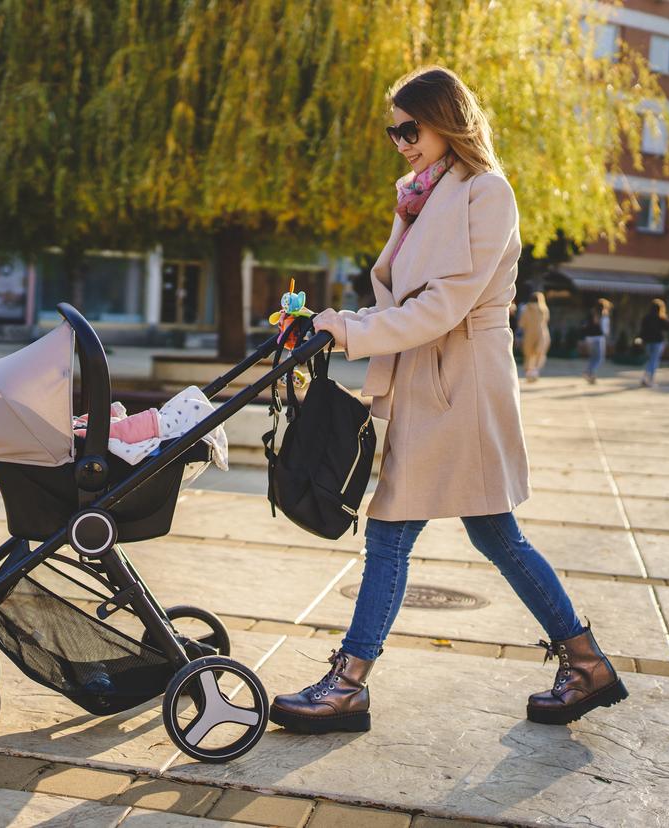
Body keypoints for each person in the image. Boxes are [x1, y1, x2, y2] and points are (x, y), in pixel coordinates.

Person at [272, 66, 627, 735]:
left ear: (448, 120)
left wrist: (348, 330)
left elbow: (444, 304)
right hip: (430, 382)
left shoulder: (485, 193)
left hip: (460, 385)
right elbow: (404, 302)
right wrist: (334, 320)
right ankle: (586, 662)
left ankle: (349, 684)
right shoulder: (421, 198)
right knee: (494, 533)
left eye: (412, 128)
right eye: (394, 132)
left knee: (392, 533)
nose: (402, 142)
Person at [637, 299, 669, 387]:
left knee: (650, 360)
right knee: (654, 361)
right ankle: (649, 379)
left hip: (648, 342)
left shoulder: (646, 317)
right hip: (658, 341)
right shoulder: (661, 318)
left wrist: (641, 340)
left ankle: (646, 377)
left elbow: (642, 331)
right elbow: (667, 328)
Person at [518, 291, 551, 381]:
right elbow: (546, 321)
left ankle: (529, 373)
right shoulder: (544, 309)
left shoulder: (526, 309)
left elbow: (521, 324)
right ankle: (535, 372)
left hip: (528, 334)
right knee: (540, 354)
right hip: (542, 334)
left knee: (528, 355)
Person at [582, 298, 612, 384]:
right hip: (598, 338)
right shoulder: (603, 315)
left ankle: (591, 376)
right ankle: (588, 372)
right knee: (599, 358)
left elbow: (585, 325)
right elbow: (605, 329)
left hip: (589, 338)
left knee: (593, 357)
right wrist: (607, 335)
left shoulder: (591, 313)